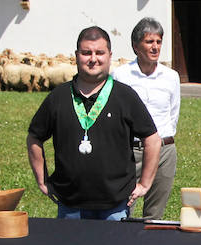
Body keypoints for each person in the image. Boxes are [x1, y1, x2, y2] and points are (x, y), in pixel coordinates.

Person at [26, 26, 159, 220]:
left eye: (99, 53)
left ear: (110, 56)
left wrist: (145, 184)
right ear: (76, 56)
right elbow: (34, 137)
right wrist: (42, 180)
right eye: (86, 53)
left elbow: (152, 139)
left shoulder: (125, 96)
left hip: (115, 206)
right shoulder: (58, 97)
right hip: (70, 206)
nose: (93, 59)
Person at [112, 17, 180, 219]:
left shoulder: (171, 77)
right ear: (136, 46)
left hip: (164, 151)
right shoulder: (121, 76)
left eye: (158, 41)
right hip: (131, 151)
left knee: (155, 216)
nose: (155, 47)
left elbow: (173, 113)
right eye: (149, 42)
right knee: (123, 210)